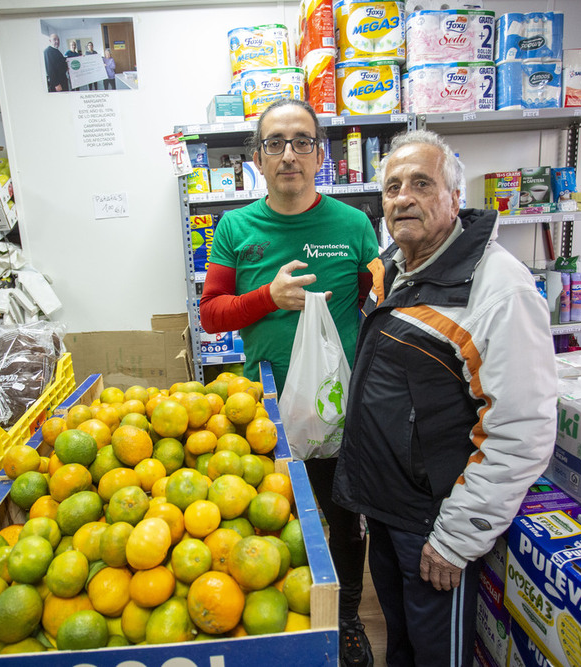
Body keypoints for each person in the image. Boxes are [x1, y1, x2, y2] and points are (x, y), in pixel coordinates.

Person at [332, 130, 557, 667]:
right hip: (389, 511)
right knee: (402, 644)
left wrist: (457, 538)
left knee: (438, 654)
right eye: (391, 187)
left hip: (436, 524)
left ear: (455, 198)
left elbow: (522, 432)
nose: (403, 197)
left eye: (421, 183)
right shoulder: (397, 267)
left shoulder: (499, 290)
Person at [199, 98, 378, 667]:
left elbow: (375, 299)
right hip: (262, 412)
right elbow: (211, 313)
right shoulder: (235, 227)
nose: (289, 155)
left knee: (342, 518)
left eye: (302, 141)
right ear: (257, 158)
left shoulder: (353, 226)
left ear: (321, 154)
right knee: (270, 525)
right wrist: (265, 299)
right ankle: (277, 625)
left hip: (336, 407)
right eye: (275, 143)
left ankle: (347, 617)